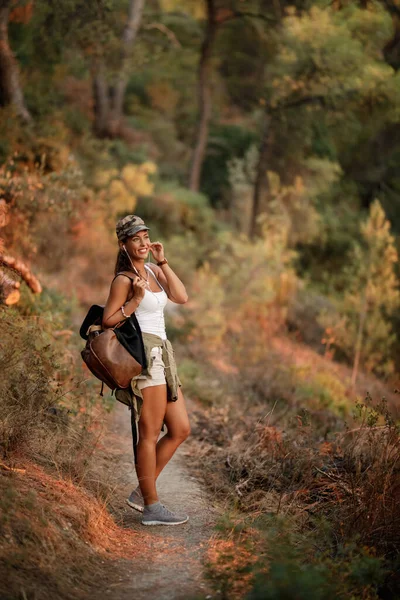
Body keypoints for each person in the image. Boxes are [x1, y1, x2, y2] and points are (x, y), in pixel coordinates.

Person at [102, 215, 191, 526]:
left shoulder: (153, 270)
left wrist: (163, 262)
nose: (142, 243)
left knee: (180, 429)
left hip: (164, 355)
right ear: (123, 244)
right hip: (144, 356)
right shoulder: (124, 280)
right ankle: (151, 506)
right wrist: (136, 299)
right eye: (135, 239)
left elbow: (181, 296)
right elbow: (108, 321)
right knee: (150, 433)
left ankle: (142, 491)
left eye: (145, 237)